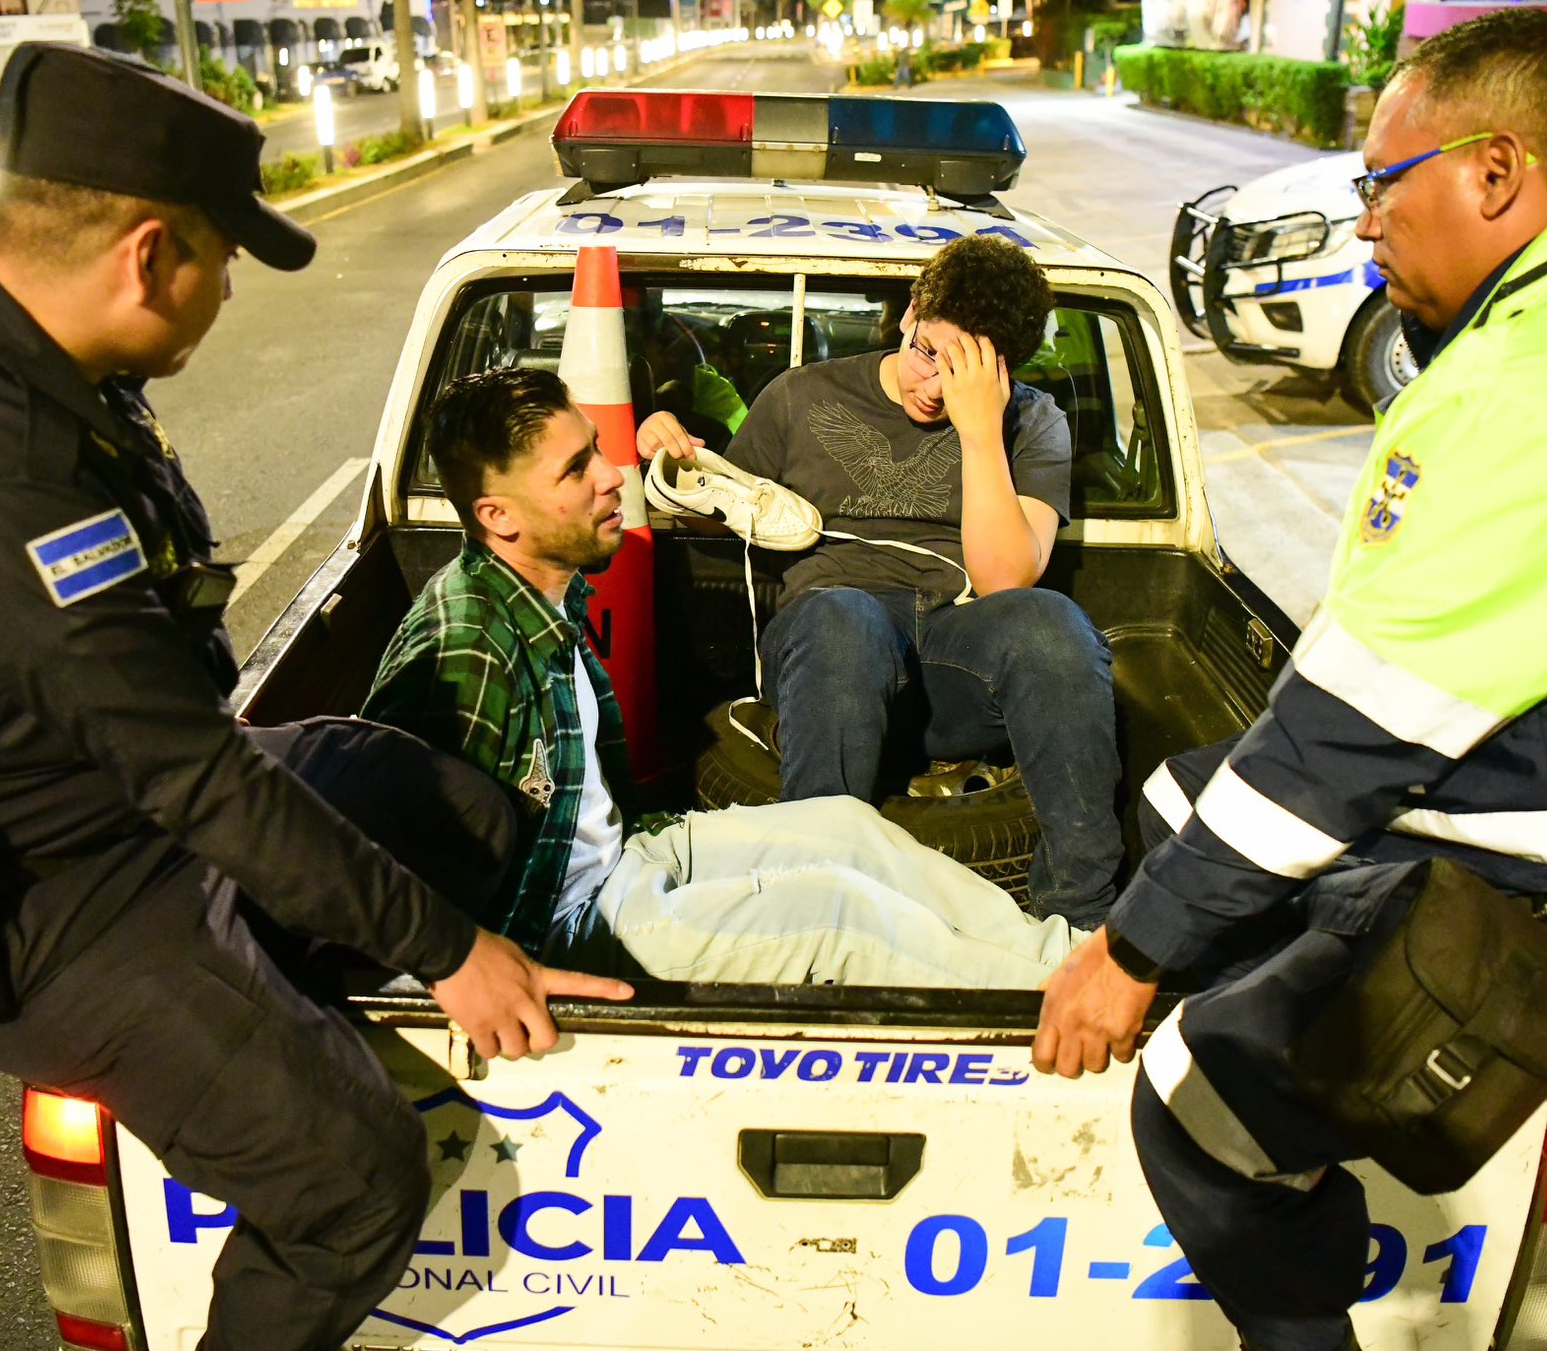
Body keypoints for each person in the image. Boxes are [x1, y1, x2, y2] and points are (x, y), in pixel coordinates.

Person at [0, 44, 629, 1351]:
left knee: (455, 807)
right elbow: (194, 777)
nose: (231, 286)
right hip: (59, 900)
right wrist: (448, 953)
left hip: (131, 804)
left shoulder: (52, 371)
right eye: (223, 254)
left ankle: (290, 988)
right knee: (355, 1179)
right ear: (148, 257)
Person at [1031, 10, 1547, 1351]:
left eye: (1380, 185)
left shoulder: (1520, 393)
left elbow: (1341, 742)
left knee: (1197, 1103)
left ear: (1495, 173)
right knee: (1181, 798)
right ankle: (1286, 1017)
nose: (1365, 222)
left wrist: (1129, 956)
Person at [363, 367, 1085, 986]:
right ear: (497, 515)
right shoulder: (462, 649)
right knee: (836, 912)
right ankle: (1072, 1002)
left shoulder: (549, 595)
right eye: (575, 471)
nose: (612, 476)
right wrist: (468, 974)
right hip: (565, 926)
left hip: (627, 856)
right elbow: (380, 858)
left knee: (847, 828)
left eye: (596, 450)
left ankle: (1075, 960)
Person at [636, 236, 1124, 929]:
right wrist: (667, 452)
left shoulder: (1030, 421)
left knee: (1053, 623)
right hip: (830, 646)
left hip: (954, 650)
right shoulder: (801, 396)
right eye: (929, 354)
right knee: (845, 619)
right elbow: (719, 507)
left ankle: (1080, 921)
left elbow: (1007, 579)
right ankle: (812, 908)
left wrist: (980, 429)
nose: (935, 388)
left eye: (964, 374)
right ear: (910, 313)